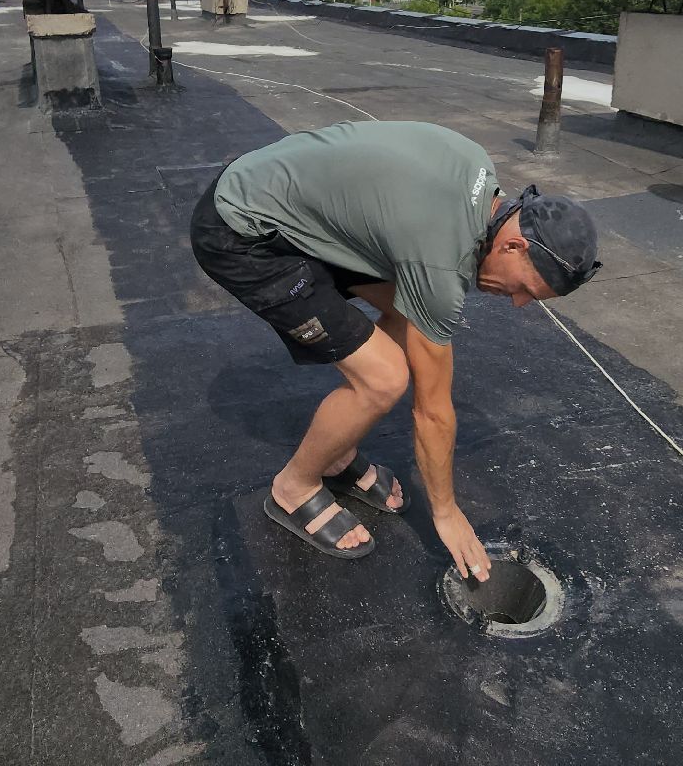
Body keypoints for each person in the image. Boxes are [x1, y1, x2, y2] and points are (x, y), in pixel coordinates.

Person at [190, 120, 600, 581]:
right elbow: (432, 412)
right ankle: (294, 486)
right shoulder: (439, 257)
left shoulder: (478, 170)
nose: (519, 303)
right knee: (384, 379)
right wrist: (446, 511)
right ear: (512, 244)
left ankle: (337, 453)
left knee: (408, 317)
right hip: (241, 229)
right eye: (526, 288)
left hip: (285, 194)